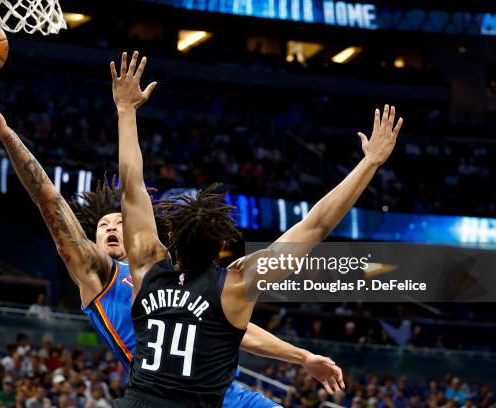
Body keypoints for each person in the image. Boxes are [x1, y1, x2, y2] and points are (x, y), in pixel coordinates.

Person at [0, 82, 342, 408]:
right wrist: (8, 134)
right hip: (164, 392)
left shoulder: (168, 270)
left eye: (119, 224)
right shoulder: (99, 274)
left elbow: (237, 328)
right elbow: (51, 201)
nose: (111, 228)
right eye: (103, 226)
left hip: (222, 390)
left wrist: (301, 355)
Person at [110, 51, 402, 407]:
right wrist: (370, 163)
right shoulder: (235, 285)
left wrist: (126, 112)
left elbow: (132, 185)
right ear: (221, 244)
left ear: (169, 238)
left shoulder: (146, 264)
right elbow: (317, 224)